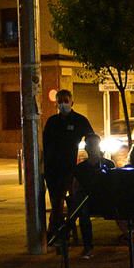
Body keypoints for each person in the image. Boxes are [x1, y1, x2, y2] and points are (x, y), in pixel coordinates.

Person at [42, 89, 94, 239]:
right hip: (52, 169)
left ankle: (60, 230)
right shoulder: (52, 122)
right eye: (60, 101)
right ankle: (56, 231)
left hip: (70, 168)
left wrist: (90, 158)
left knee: (72, 201)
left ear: (72, 102)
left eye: (66, 100)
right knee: (56, 202)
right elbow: (44, 144)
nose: (63, 104)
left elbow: (92, 138)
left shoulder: (79, 120)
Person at [69, 133, 116, 259]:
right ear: (86, 148)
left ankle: (131, 239)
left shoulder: (108, 164)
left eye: (95, 144)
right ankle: (88, 247)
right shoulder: (80, 168)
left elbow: (114, 184)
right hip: (88, 201)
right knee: (83, 210)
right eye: (90, 144)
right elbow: (75, 187)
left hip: (105, 200)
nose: (93, 147)